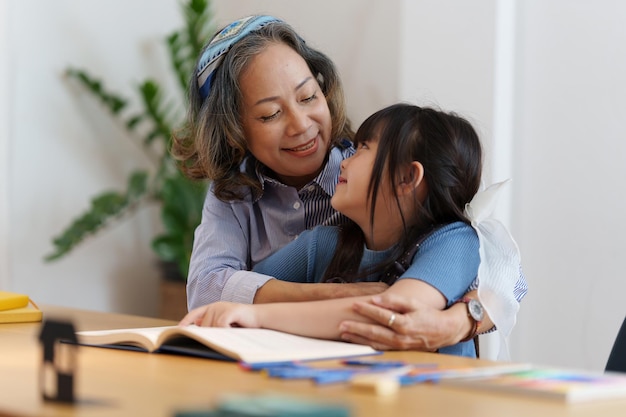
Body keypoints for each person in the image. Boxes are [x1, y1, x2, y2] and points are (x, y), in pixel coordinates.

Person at [172, 15, 527, 352]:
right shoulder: (248, 201)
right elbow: (208, 294)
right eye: (270, 114)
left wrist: (460, 320)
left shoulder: (365, 178)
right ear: (235, 132)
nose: (301, 125)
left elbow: (503, 274)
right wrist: (333, 294)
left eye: (309, 96)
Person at [181, 102, 516, 358]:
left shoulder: (454, 241)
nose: (344, 160)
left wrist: (257, 318)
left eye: (364, 150)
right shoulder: (324, 244)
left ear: (407, 178)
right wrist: (248, 312)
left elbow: (392, 311)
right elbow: (246, 292)